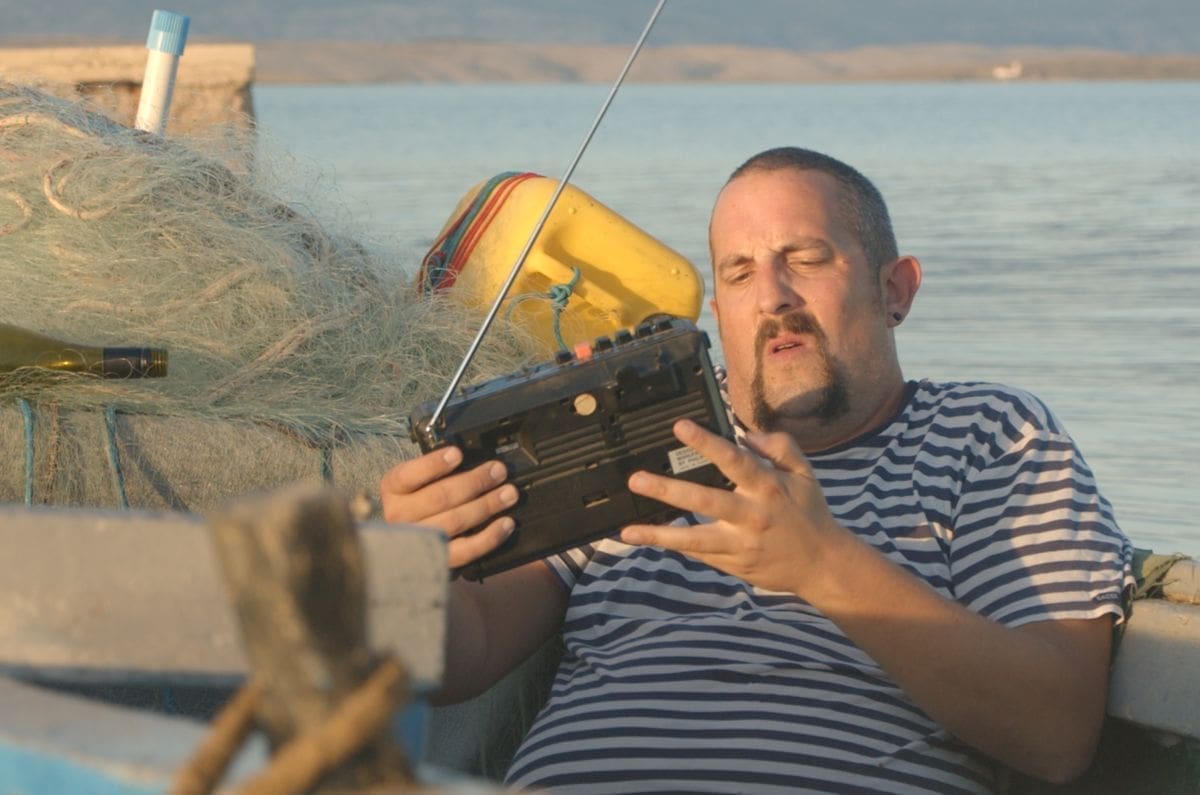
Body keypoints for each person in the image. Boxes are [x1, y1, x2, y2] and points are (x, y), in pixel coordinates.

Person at [381, 147, 1133, 794]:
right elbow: (459, 660)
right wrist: (397, 565)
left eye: (805, 260)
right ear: (718, 312)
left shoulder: (989, 433)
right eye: (739, 274)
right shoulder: (640, 438)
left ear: (894, 289)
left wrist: (821, 566)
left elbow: (1057, 732)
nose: (772, 296)